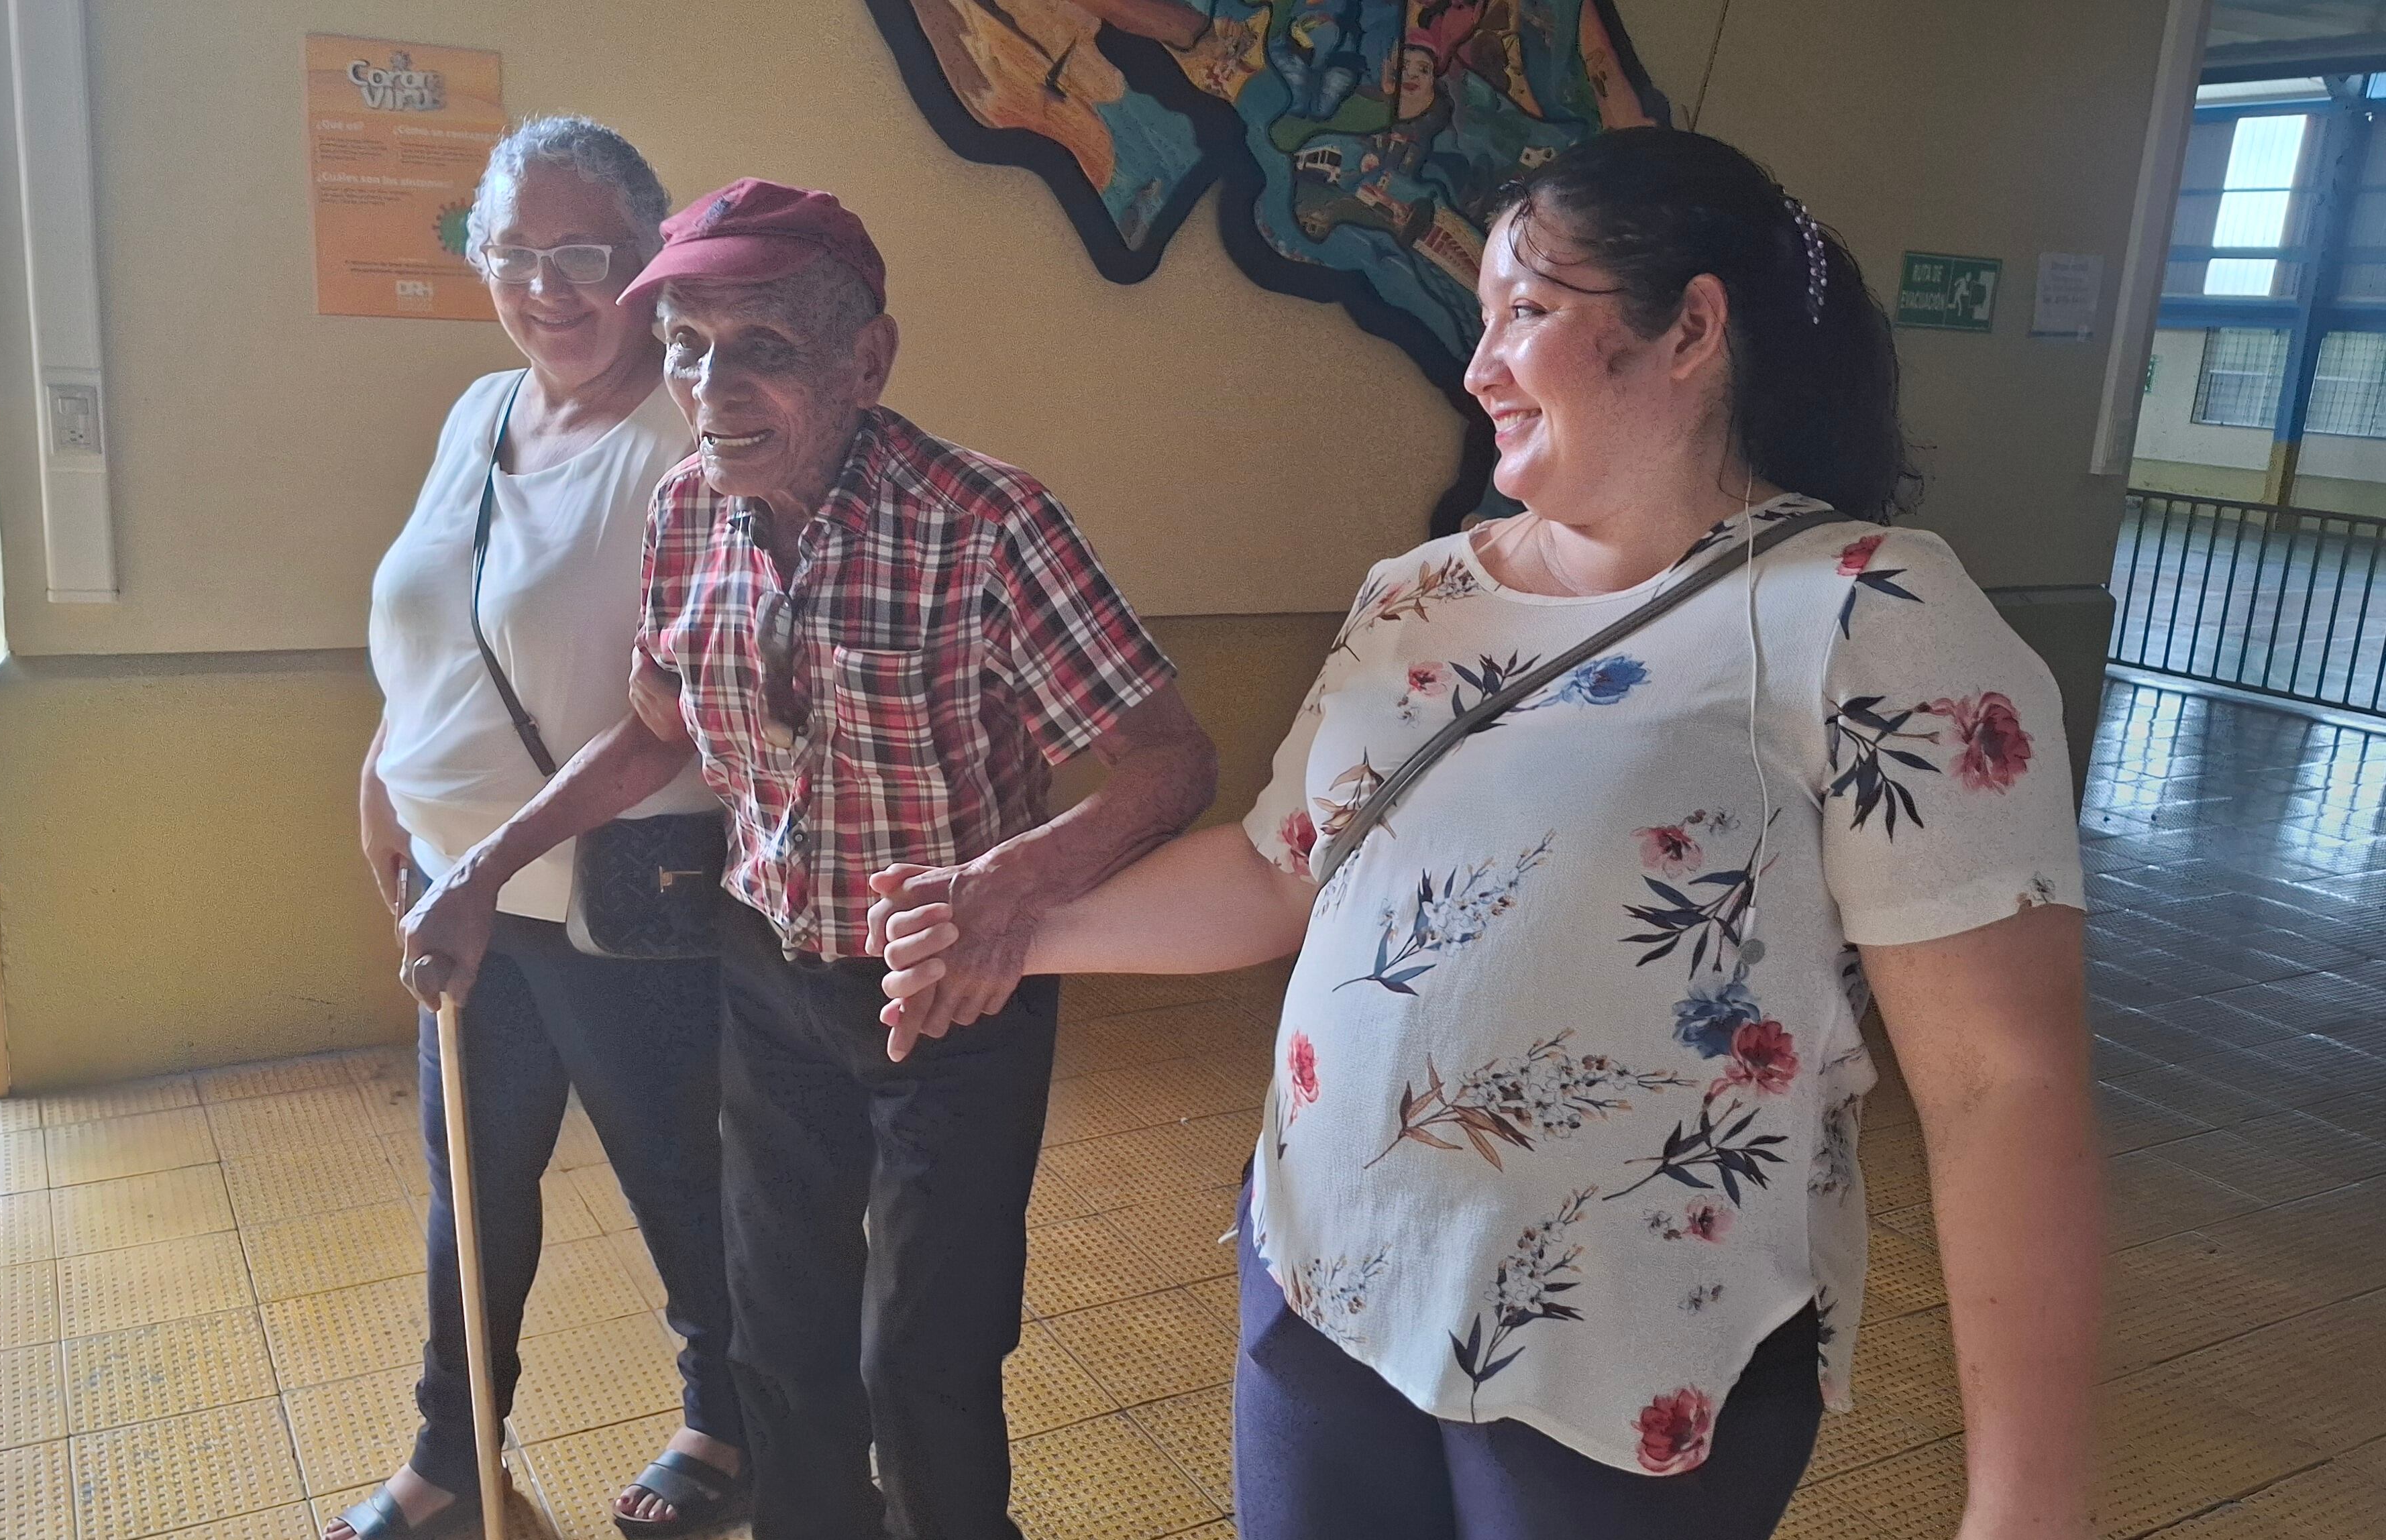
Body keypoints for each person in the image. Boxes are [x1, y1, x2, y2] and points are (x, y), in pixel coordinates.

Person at [873, 127, 2100, 1540]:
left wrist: (2028, 1502)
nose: (1479, 367)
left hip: (1627, 1352)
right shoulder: (1419, 596)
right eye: (1482, 319)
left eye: (1527, 309)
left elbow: (2001, 1080)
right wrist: (1022, 927)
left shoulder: (1870, 618)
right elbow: (1286, 868)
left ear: (1691, 327)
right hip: (1329, 1276)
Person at [397, 177, 1220, 1540]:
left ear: (867, 359)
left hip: (948, 1000)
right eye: (684, 344)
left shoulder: (987, 524)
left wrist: (1013, 885)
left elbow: (1171, 760)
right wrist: (482, 865)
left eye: (761, 349)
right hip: (767, 977)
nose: (709, 386)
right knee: (780, 1343)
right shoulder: (687, 511)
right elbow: (653, 731)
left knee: (926, 1360)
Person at [343, 117, 746, 1540]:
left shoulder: (680, 444)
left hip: (613, 884)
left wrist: (483, 856)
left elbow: (679, 712)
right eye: (513, 252)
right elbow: (435, 617)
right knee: (474, 1190)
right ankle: (454, 1462)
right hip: (459, 889)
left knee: (676, 1170)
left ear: (652, 261)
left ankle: (727, 1421)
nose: (548, 286)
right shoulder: (480, 409)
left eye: (587, 254)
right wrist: (383, 762)